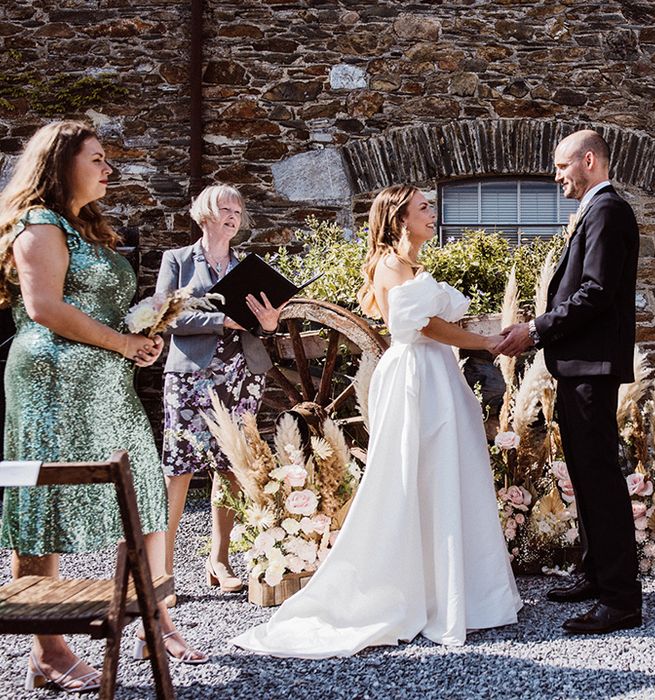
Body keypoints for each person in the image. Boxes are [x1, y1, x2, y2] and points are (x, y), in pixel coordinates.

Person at [230, 184, 522, 658]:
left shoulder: (413, 266)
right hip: (414, 377)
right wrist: (485, 342)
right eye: (423, 207)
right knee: (414, 476)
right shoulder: (389, 264)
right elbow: (425, 327)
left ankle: (455, 593)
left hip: (436, 374)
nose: (433, 212)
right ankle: (409, 595)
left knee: (446, 474)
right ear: (400, 219)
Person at [0, 121, 207, 693]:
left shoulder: (87, 228)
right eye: (97, 159)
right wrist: (122, 342)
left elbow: (95, 308)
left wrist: (140, 338)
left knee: (139, 483)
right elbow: (43, 307)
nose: (108, 169)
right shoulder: (38, 225)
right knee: (46, 498)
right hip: (52, 379)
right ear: (61, 163)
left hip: (106, 380)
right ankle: (49, 650)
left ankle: (153, 620)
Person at [495, 129, 642, 634]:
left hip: (591, 369)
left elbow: (596, 293)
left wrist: (535, 330)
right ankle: (597, 575)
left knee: (600, 479)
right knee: (584, 474)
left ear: (588, 160)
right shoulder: (596, 212)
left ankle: (621, 599)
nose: (557, 176)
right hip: (579, 367)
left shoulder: (608, 211)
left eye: (562, 167)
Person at [155, 184, 280, 598]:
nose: (233, 216)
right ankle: (163, 571)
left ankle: (219, 560)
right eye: (225, 208)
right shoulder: (177, 260)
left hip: (242, 374)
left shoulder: (247, 267)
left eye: (238, 211)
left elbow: (260, 324)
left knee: (230, 467)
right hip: (191, 376)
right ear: (204, 214)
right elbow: (166, 317)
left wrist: (269, 321)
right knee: (179, 470)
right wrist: (220, 322)